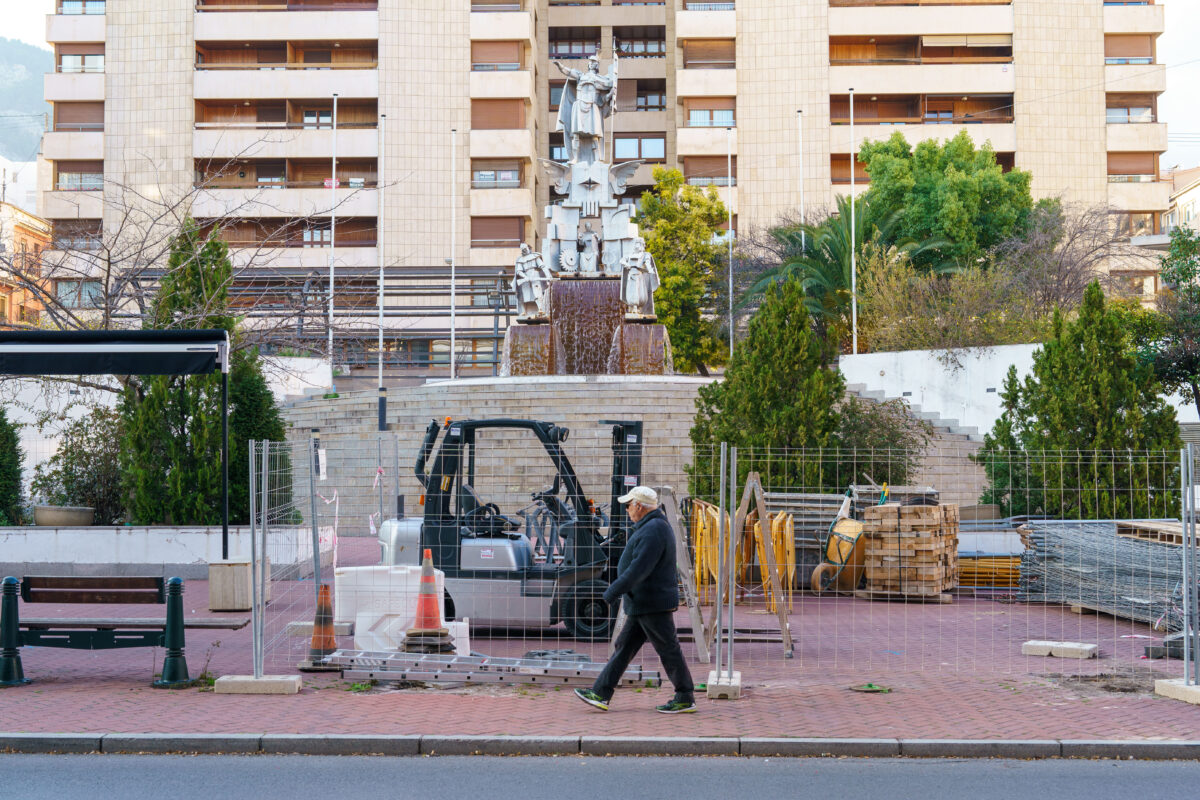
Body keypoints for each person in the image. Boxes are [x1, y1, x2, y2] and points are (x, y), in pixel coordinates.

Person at [574, 486, 697, 714]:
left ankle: (685, 696)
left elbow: (638, 569)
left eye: (629, 505)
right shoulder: (651, 526)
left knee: (668, 650)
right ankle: (601, 693)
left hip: (651, 603)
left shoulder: (654, 530)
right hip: (643, 602)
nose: (628, 510)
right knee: (624, 647)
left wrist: (612, 592)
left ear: (639, 506)